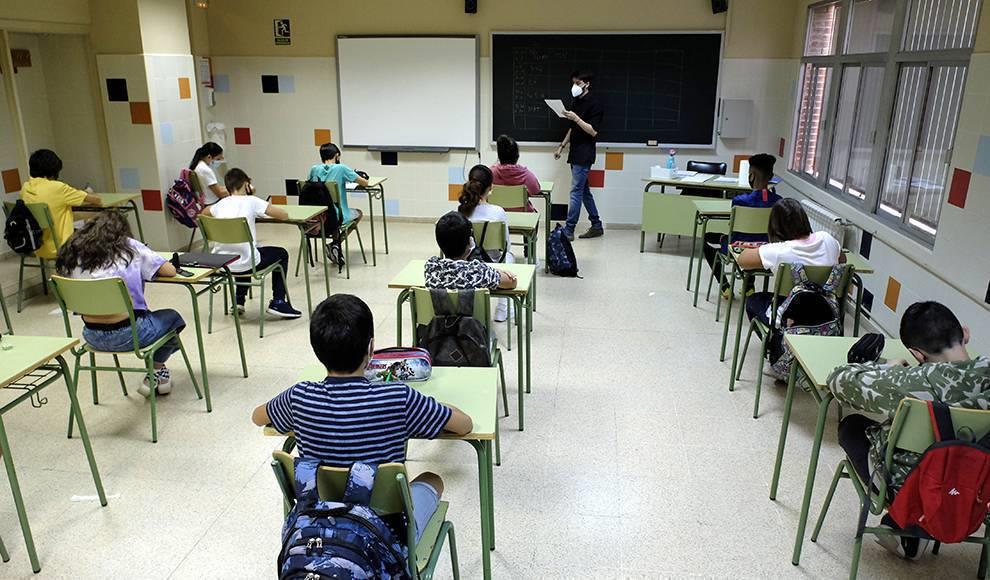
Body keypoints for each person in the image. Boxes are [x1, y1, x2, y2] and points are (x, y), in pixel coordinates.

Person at [252, 293, 473, 542]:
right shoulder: (398, 397)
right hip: (384, 534)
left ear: (317, 350)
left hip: (321, 522)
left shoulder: (300, 396)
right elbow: (464, 425)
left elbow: (258, 417)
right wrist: (437, 406)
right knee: (432, 479)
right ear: (371, 347)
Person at [829, 301, 990, 559]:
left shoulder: (914, 382)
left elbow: (839, 381)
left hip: (910, 487)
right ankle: (906, 529)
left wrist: (886, 368)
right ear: (965, 333)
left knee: (853, 426)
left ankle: (906, 518)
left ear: (917, 354)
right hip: (977, 490)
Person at [55, 211, 184, 397]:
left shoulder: (73, 253)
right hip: (132, 335)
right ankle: (157, 369)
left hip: (91, 336)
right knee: (172, 319)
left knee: (154, 320)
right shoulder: (130, 247)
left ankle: (159, 374)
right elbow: (169, 271)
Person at [200, 168, 301, 319]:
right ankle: (278, 301)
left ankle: (238, 301)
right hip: (247, 263)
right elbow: (283, 215)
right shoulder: (252, 201)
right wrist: (252, 197)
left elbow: (203, 213)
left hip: (223, 264)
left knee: (242, 251)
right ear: (246, 185)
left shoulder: (220, 204)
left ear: (227, 187)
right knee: (281, 253)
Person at [734, 198, 844, 325]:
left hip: (790, 316)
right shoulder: (827, 239)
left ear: (776, 227)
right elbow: (842, 259)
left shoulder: (778, 250)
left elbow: (742, 260)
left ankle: (776, 336)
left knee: (753, 300)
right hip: (826, 315)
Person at [703, 153, 783, 298]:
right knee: (756, 239)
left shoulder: (739, 201)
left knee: (707, 239)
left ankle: (725, 286)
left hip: (738, 251)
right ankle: (749, 287)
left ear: (751, 176)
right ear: (771, 177)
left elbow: (732, 228)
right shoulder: (778, 201)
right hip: (764, 251)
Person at [20, 149, 102, 260]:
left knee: (68, 211)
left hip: (36, 245)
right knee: (97, 222)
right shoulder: (58, 187)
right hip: (62, 246)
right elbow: (97, 200)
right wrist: (85, 192)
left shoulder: (25, 188)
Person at [458, 164, 514, 322]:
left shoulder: (460, 211)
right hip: (494, 264)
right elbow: (506, 246)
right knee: (509, 256)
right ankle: (503, 309)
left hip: (468, 265)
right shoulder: (498, 212)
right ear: (490, 188)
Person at [554, 70, 604, 241]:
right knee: (584, 192)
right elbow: (572, 128)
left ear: (587, 84)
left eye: (578, 83)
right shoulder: (576, 102)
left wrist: (576, 118)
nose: (574, 86)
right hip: (575, 151)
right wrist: (562, 146)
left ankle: (569, 229)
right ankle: (596, 225)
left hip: (585, 153)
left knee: (575, 191)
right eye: (573, 83)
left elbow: (593, 131)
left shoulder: (595, 103)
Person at [425, 211, 518, 294]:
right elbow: (512, 282)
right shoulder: (478, 272)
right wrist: (497, 271)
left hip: (438, 309)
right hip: (473, 310)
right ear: (469, 244)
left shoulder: (431, 267)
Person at [307, 142, 369, 225]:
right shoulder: (341, 168)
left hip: (317, 215)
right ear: (337, 155)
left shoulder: (314, 169)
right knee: (359, 212)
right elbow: (365, 183)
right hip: (337, 215)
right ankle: (340, 232)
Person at [490, 134, 539, 212]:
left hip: (497, 215)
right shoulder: (525, 174)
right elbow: (536, 190)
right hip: (522, 215)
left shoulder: (490, 174)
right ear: (517, 156)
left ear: (499, 156)